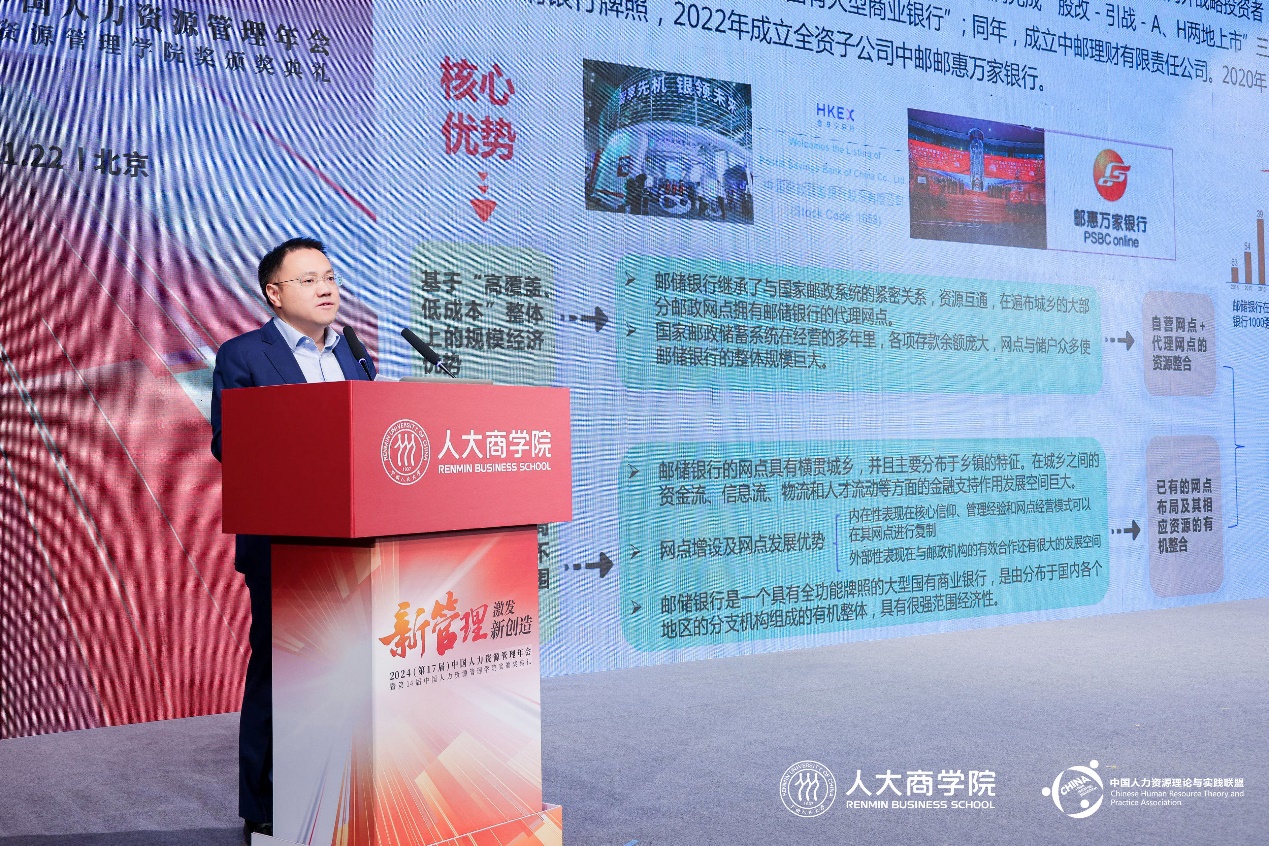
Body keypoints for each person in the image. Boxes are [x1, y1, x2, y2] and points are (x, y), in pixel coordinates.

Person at [209, 238, 376, 844]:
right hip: (282, 539)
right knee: (280, 670)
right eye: (308, 280)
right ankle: (265, 801)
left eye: (330, 276)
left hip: (353, 537)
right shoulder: (243, 355)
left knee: (347, 666)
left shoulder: (353, 351)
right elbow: (230, 444)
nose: (326, 288)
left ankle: (344, 783)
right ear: (274, 294)